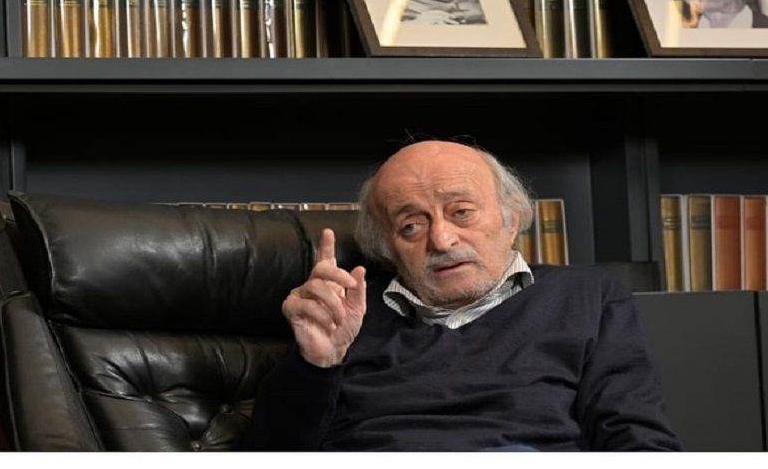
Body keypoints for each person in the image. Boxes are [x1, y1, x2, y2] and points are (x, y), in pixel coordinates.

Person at [242, 140, 681, 451]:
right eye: (411, 225)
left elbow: (638, 440)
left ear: (511, 219)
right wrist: (316, 365)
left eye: (462, 212)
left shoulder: (585, 297)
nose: (442, 239)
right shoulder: (345, 316)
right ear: (387, 247)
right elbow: (270, 455)